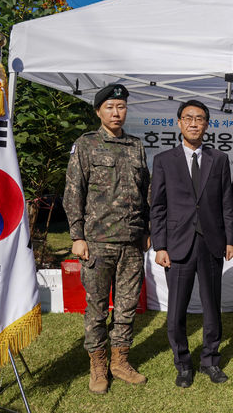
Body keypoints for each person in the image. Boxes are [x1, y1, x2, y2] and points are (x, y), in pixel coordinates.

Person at [63, 84, 149, 394]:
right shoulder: (86, 145)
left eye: (121, 107)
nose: (116, 112)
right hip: (97, 242)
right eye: (110, 107)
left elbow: (145, 192)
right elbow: (73, 193)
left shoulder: (136, 147)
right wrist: (77, 236)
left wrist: (147, 230)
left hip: (131, 244)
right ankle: (98, 365)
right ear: (99, 111)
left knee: (126, 308)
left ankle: (119, 361)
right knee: (97, 309)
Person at [150, 99, 233, 387]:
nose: (194, 123)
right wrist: (160, 245)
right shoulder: (163, 160)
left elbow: (227, 202)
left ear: (207, 124)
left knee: (212, 306)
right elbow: (158, 206)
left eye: (200, 119)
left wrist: (230, 240)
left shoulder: (219, 159)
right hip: (177, 244)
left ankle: (210, 359)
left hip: (211, 242)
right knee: (176, 310)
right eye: (189, 118)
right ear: (179, 123)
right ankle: (183, 363)